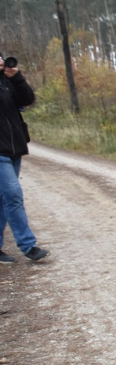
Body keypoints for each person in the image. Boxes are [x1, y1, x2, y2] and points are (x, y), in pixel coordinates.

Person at [0, 55, 49, 264]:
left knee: (3, 201)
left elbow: (28, 99)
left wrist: (16, 77)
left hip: (14, 150)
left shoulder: (7, 83)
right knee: (13, 195)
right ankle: (28, 245)